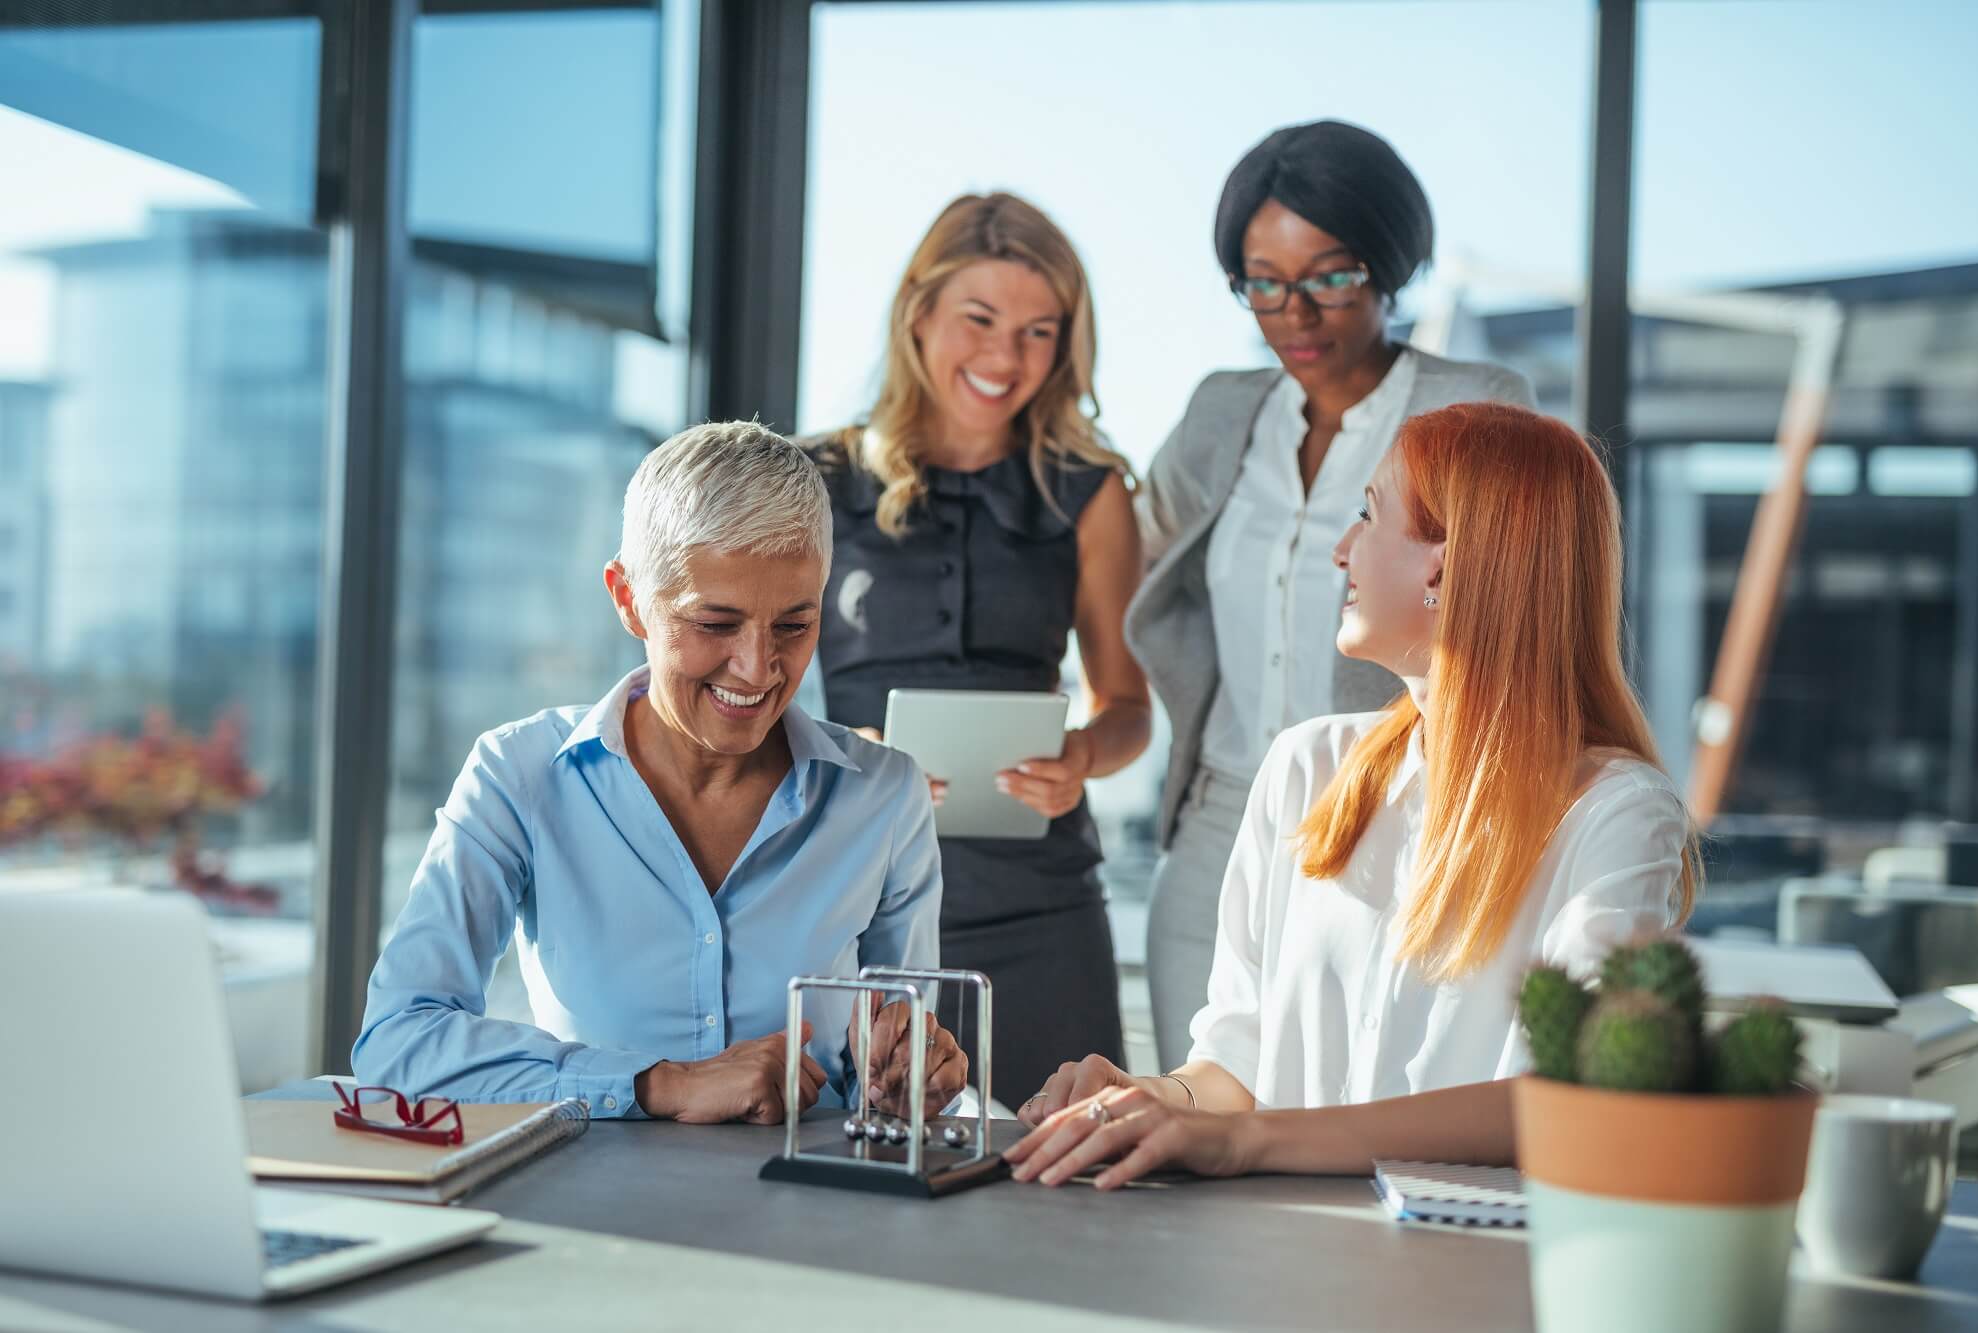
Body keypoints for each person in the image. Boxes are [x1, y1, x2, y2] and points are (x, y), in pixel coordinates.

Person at [1009, 401, 1699, 1187]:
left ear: (1443, 565)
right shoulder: (1305, 768)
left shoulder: (1616, 811)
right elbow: (1232, 1071)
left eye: (1367, 516)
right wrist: (1147, 1097)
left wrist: (1247, 1141)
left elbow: (1574, 1095)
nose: (1342, 551)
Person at [354, 421, 966, 1122]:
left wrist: (903, 1084)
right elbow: (398, 1040)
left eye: (793, 625)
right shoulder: (517, 775)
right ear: (627, 598)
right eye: (715, 623)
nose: (757, 667)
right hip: (584, 1210)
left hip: (808, 1214)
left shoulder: (884, 797)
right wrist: (660, 1084)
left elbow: (893, 1073)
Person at [1129, 120, 1538, 1069]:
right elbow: (1134, 554)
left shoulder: (1477, 404)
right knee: (1199, 1109)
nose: (1296, 314)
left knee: (1357, 1121)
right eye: (1262, 282)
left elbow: (1538, 611)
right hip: (1220, 826)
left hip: (1401, 818)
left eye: (1331, 275)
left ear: (1390, 267)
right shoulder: (1221, 414)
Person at [804, 192, 1152, 1108]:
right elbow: (741, 697)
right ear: (918, 313)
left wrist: (1080, 756)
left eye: (1040, 331)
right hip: (854, 899)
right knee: (863, 1181)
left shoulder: (1092, 491)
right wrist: (850, 760)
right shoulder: (813, 479)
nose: (1007, 357)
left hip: (1043, 907)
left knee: (1070, 1180)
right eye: (981, 319)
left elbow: (1128, 706)